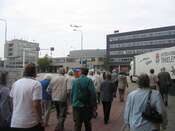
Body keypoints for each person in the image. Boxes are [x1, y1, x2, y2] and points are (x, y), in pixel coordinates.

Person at [10, 63, 44, 131]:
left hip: (15, 122)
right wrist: (40, 119)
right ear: (34, 72)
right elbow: (36, 105)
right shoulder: (36, 84)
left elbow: (11, 100)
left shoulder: (16, 83)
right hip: (30, 123)